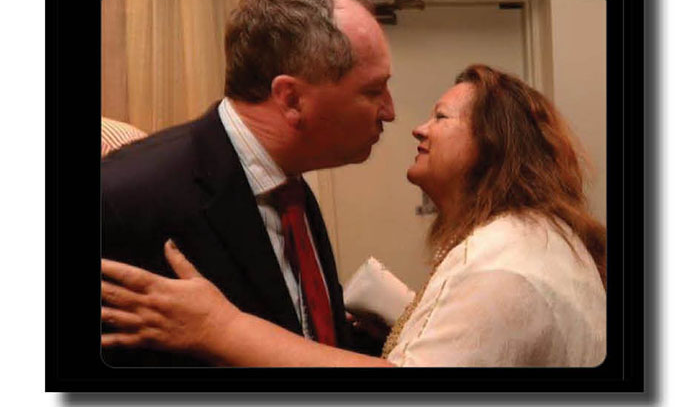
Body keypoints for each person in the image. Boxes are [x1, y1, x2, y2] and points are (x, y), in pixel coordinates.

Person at [102, 64, 606, 367]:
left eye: (440, 116)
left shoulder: (502, 264)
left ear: (494, 144)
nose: (414, 127)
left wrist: (220, 327)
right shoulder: (523, 238)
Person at [101, 0, 395, 366]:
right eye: (373, 91)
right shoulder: (123, 197)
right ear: (291, 98)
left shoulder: (289, 189)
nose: (389, 111)